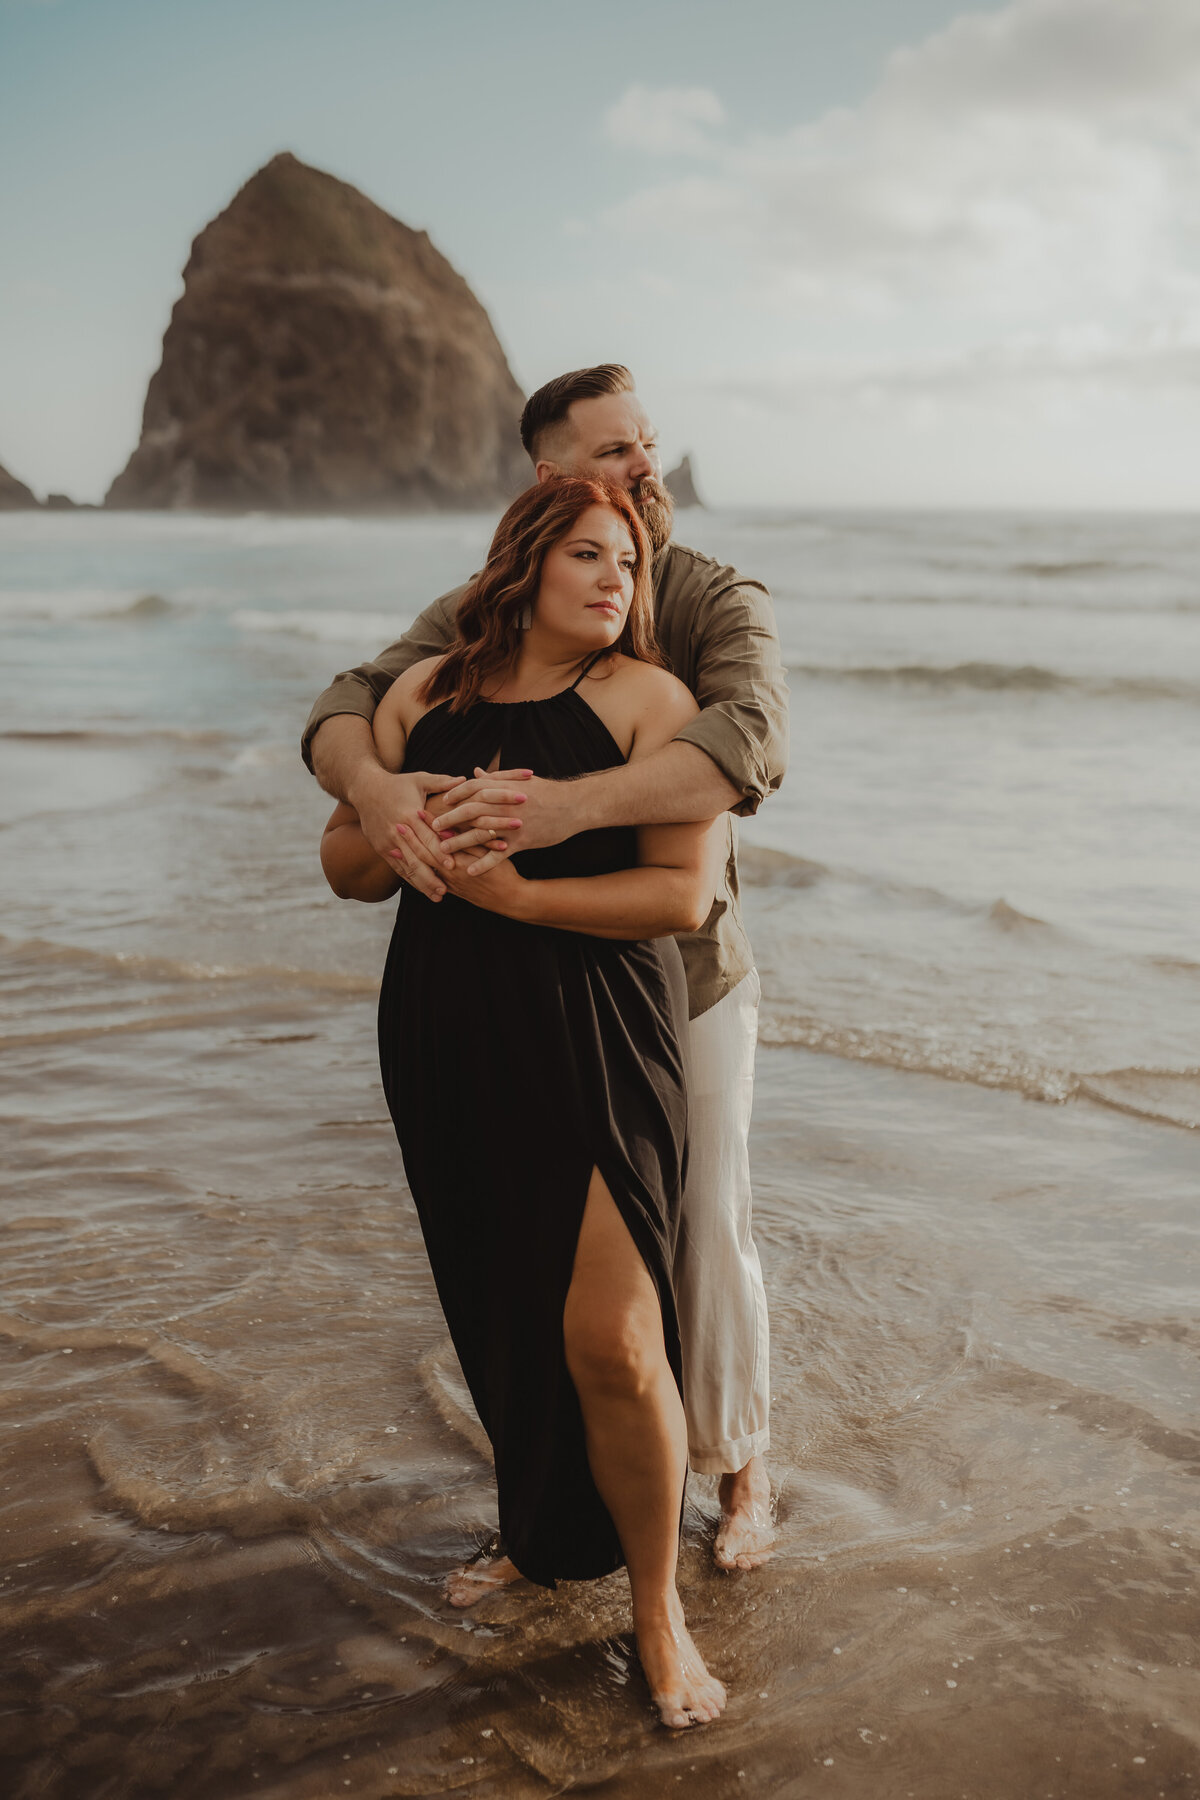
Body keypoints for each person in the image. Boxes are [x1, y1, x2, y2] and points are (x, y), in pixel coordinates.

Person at [303, 364, 788, 1573]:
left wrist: (553, 815)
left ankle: (740, 1470)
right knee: (543, 1265)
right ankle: (571, 1510)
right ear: (549, 481)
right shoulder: (491, 602)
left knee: (702, 1229)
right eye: (615, 455)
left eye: (649, 446)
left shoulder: (711, 596)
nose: (645, 474)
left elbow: (739, 749)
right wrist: (380, 794)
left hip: (686, 973)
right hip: (511, 987)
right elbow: (350, 704)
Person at [321, 474, 727, 1727]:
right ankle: (538, 1538)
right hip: (447, 1030)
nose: (618, 580)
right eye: (593, 557)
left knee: (612, 1336)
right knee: (503, 1309)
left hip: (602, 1032)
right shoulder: (425, 695)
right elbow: (343, 866)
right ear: (525, 564)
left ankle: (659, 1617)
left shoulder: (653, 704)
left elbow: (682, 898)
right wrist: (404, 821)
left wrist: (527, 898)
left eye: (632, 564)